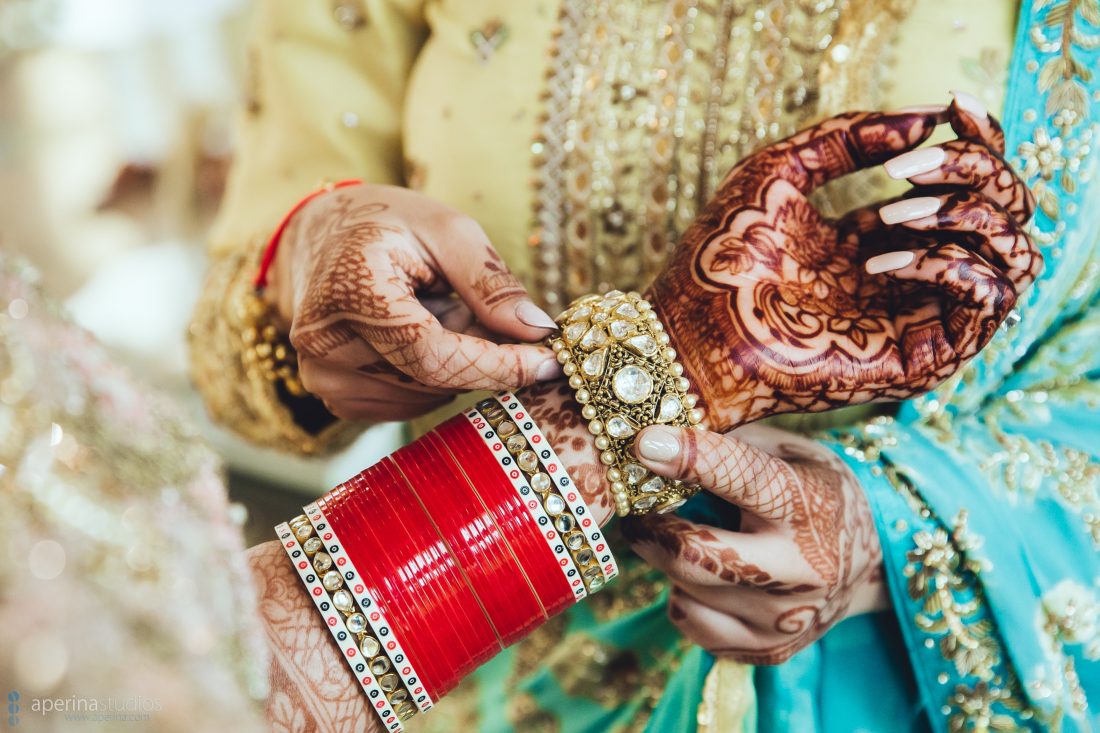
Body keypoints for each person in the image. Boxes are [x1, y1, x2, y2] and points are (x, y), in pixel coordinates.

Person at [189, 0, 1100, 731]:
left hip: (865, 684)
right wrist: (311, 247)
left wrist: (884, 530)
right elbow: (235, 332)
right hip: (448, 642)